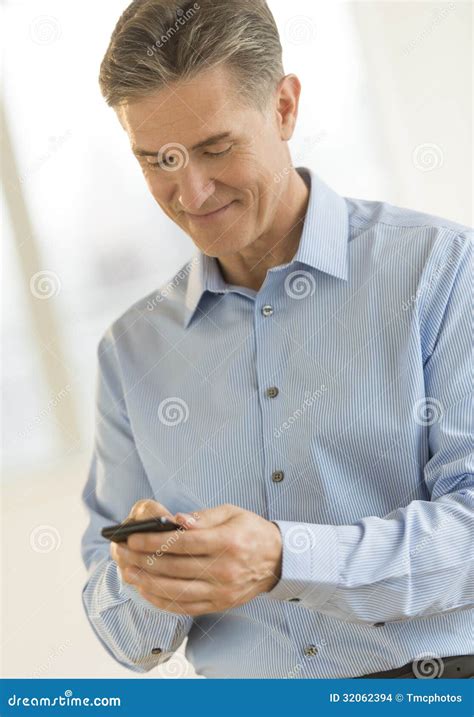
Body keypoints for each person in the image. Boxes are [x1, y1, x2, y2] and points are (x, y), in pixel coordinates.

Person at [80, 0, 473, 679]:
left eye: (215, 148)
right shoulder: (130, 352)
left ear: (285, 106)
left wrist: (284, 558)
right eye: (157, 160)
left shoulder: (440, 270)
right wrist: (153, 574)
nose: (191, 191)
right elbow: (121, 633)